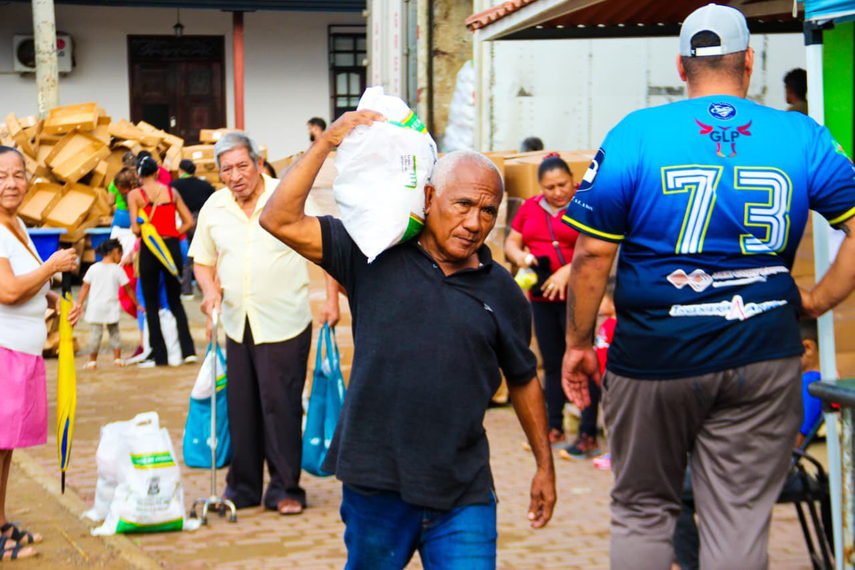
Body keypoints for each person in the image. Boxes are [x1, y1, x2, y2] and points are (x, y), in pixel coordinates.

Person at [560, 4, 855, 569]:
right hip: (762, 350)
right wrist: (817, 300)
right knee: (738, 517)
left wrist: (577, 344)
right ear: (750, 61)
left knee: (644, 509)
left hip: (655, 353)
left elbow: (593, 252)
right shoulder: (801, 135)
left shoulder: (637, 132)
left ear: (681, 66)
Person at [259, 112, 557, 568]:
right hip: (376, 485)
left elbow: (523, 379)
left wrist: (544, 466)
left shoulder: (502, 291)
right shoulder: (372, 252)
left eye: (488, 211)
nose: (474, 222)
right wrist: (327, 143)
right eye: (463, 205)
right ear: (430, 197)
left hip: (463, 491)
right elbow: (278, 219)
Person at [190, 131, 341, 516]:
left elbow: (327, 245)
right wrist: (209, 291)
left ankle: (285, 488)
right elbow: (202, 261)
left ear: (259, 163)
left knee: (281, 405)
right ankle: (243, 488)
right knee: (241, 407)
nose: (235, 176)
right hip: (237, 322)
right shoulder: (214, 206)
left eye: (242, 166)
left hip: (284, 320)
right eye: (227, 169)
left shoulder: (287, 194)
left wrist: (331, 299)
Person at [671, 318, 826, 570]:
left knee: (673, 489)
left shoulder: (809, 385)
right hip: (752, 466)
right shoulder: (795, 384)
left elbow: (790, 444)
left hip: (766, 472)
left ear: (807, 348)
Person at [0, 145, 79, 562]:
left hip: (21, 349)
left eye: (18, 174)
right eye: (1, 176)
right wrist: (52, 265)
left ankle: (0, 522)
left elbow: (27, 283)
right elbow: (9, 291)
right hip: (4, 350)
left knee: (5, 447)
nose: (11, 183)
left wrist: (55, 302)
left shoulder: (15, 224)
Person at [505, 154, 582, 449]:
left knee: (579, 357)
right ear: (541, 187)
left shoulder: (585, 204)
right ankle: (554, 427)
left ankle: (587, 433)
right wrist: (521, 257)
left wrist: (567, 271)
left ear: (573, 180)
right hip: (541, 297)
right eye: (550, 187)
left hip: (577, 296)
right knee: (551, 362)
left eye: (562, 184)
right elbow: (511, 242)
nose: (557, 192)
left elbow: (597, 247)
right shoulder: (530, 207)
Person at [128, 156, 196, 367]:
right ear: (157, 172)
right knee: (175, 300)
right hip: (172, 248)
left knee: (151, 302)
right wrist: (174, 233)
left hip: (150, 248)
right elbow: (189, 221)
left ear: (138, 174)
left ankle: (160, 355)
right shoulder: (171, 192)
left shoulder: (135, 195)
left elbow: (135, 229)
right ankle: (188, 351)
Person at [76, 239, 141, 370]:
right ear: (115, 252)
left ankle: (92, 362)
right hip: (111, 308)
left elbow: (85, 287)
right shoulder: (117, 270)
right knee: (115, 334)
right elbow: (128, 289)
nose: (121, 257)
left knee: (95, 335)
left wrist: (79, 303)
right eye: (120, 254)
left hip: (95, 308)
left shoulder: (93, 268)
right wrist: (137, 304)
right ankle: (117, 360)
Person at [170, 159, 215, 299]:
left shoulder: (174, 185)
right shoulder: (205, 185)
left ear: (180, 171)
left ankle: (186, 290)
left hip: (183, 222)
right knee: (205, 255)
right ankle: (206, 288)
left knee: (188, 257)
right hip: (203, 221)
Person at [107, 154, 137, 228]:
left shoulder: (116, 181)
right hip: (137, 214)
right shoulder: (139, 179)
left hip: (120, 214)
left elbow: (110, 202)